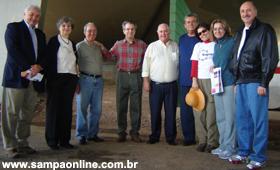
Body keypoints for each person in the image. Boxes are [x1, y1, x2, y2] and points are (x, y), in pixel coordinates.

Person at [229, 1, 279, 169]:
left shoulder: (265, 30)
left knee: (258, 120)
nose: (245, 13)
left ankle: (259, 156)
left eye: (248, 10)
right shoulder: (239, 32)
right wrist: (236, 80)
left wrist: (264, 82)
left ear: (255, 12)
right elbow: (235, 57)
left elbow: (270, 58)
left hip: (257, 81)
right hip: (241, 82)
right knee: (243, 119)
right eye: (242, 11)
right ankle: (244, 152)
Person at [1, 5, 46, 158]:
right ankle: (10, 146)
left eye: (37, 16)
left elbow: (44, 54)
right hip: (16, 78)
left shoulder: (40, 34)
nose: (34, 18)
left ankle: (22, 143)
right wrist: (30, 67)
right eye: (31, 15)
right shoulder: (13, 28)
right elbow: (13, 50)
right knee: (11, 113)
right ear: (25, 14)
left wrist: (39, 66)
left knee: (27, 113)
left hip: (33, 80)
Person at [109, 21, 147, 143]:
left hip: (136, 76)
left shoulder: (142, 45)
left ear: (135, 31)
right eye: (127, 29)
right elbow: (109, 56)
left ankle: (135, 132)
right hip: (122, 76)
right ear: (124, 31)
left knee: (136, 106)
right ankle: (121, 132)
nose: (130, 31)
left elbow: (149, 59)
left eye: (132, 29)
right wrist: (99, 47)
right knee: (121, 105)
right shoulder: (118, 45)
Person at [45, 16, 78, 150]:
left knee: (66, 110)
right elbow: (48, 59)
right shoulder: (54, 41)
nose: (66, 28)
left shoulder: (73, 43)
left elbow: (76, 62)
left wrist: (76, 78)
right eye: (64, 25)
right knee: (54, 110)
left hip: (70, 79)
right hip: (55, 79)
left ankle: (64, 140)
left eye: (69, 26)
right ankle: (52, 140)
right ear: (59, 27)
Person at [142, 23, 179, 145]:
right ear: (158, 33)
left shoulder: (175, 46)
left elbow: (179, 65)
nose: (163, 33)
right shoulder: (152, 47)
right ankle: (154, 135)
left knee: (171, 112)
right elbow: (145, 66)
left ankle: (171, 137)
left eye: (166, 31)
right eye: (161, 31)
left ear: (169, 32)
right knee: (155, 112)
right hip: (155, 86)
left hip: (172, 85)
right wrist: (146, 82)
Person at [75, 22, 106, 145]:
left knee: (97, 109)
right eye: (89, 31)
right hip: (84, 80)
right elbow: (73, 63)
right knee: (82, 108)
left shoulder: (98, 46)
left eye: (94, 31)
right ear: (84, 32)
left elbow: (109, 56)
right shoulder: (79, 46)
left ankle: (92, 134)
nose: (92, 33)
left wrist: (102, 46)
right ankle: (82, 135)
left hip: (98, 81)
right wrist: (76, 81)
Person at [209, 19, 236, 160]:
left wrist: (236, 80)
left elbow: (236, 61)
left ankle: (231, 147)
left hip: (229, 83)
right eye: (215, 29)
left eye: (220, 28)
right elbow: (219, 62)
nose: (218, 31)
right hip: (217, 83)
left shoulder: (232, 42)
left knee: (230, 117)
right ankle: (223, 145)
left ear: (225, 29)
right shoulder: (216, 45)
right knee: (221, 117)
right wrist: (213, 67)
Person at [190, 23, 218, 152]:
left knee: (211, 112)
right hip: (199, 81)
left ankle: (212, 141)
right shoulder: (198, 46)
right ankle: (202, 140)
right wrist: (194, 80)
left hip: (212, 80)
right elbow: (194, 64)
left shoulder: (217, 44)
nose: (202, 34)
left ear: (209, 30)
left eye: (204, 31)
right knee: (199, 110)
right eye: (199, 33)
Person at [178, 13, 200, 146]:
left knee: (200, 109)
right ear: (184, 25)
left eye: (192, 22)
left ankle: (203, 137)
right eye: (188, 22)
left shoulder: (200, 38)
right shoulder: (181, 39)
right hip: (184, 80)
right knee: (185, 111)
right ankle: (189, 137)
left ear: (196, 23)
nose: (190, 24)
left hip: (198, 81)